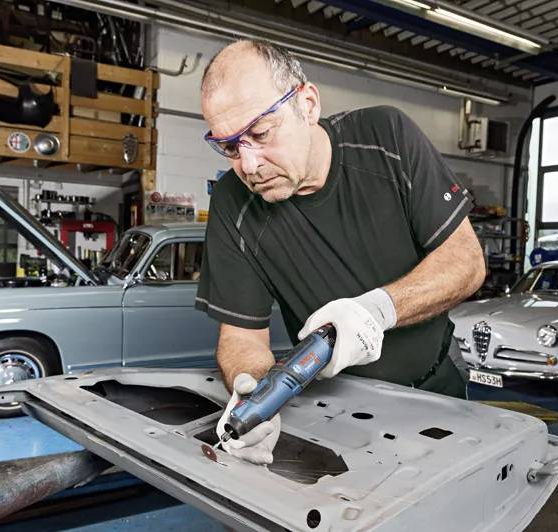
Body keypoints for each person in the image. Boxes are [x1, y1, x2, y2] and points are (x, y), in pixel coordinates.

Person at [196, 39, 486, 465]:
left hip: (438, 382)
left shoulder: (387, 139)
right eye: (230, 147)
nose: (249, 164)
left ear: (307, 104)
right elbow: (240, 336)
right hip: (337, 408)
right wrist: (254, 393)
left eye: (259, 134)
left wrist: (376, 311)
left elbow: (467, 262)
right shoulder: (231, 202)